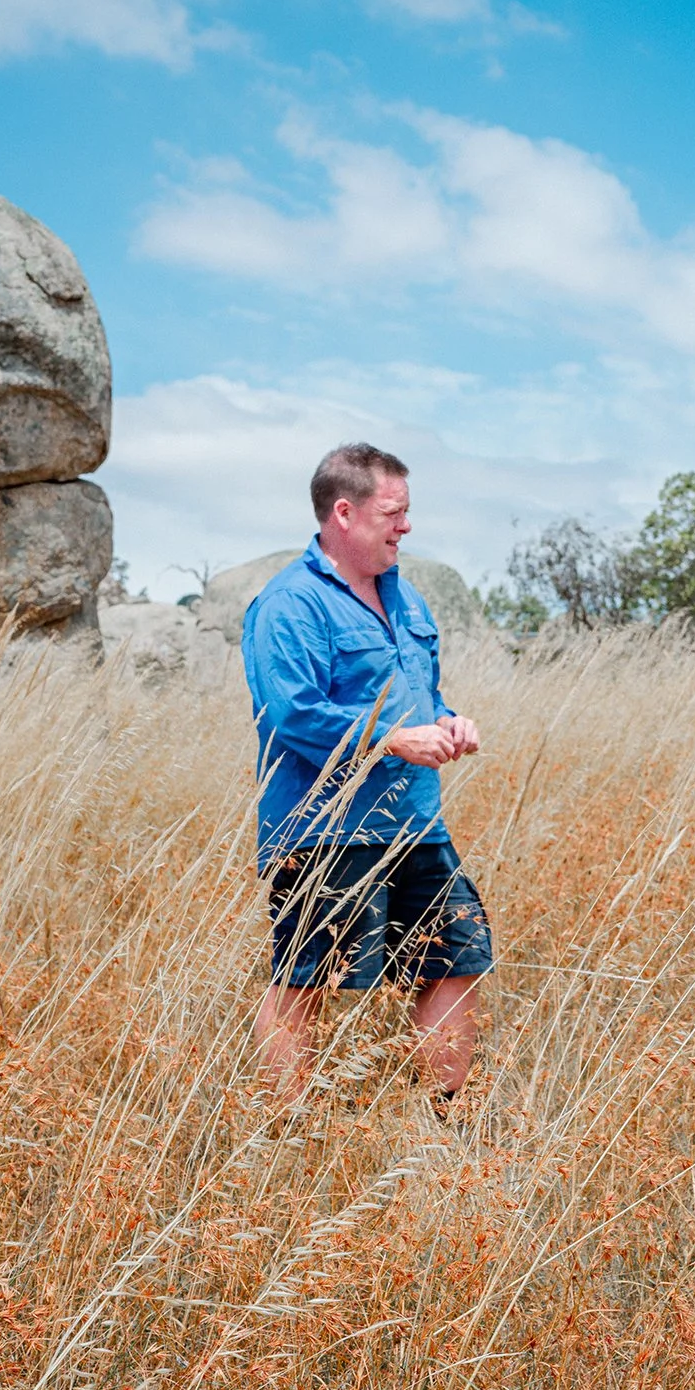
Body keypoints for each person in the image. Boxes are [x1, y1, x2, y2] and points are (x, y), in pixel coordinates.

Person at [242, 443, 492, 1115]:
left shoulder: (403, 596)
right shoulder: (289, 604)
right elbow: (293, 713)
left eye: (407, 512)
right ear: (344, 513)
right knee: (307, 980)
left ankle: (442, 1120)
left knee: (459, 956)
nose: (405, 526)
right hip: (324, 832)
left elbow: (421, 696)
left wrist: (448, 722)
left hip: (416, 823)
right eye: (394, 512)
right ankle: (289, 1134)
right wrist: (388, 738)